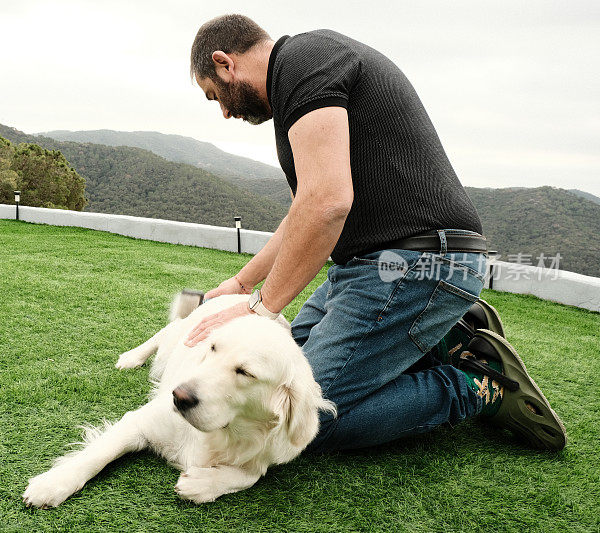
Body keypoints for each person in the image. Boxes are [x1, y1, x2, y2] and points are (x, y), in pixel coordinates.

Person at [184, 14, 566, 451]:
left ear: (224, 62)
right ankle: (431, 339)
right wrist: (240, 283)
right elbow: (303, 212)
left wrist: (262, 310)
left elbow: (327, 204)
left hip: (421, 261)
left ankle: (472, 384)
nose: (226, 111)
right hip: (371, 270)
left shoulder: (303, 62)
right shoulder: (300, 76)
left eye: (215, 96)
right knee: (277, 383)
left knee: (300, 421)